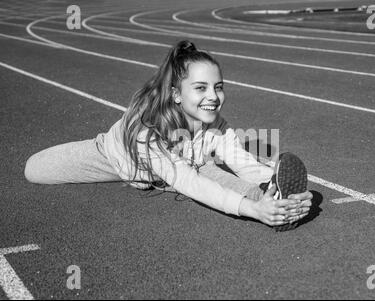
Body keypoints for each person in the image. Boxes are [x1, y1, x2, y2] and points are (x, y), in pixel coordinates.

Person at [24, 40, 313, 230]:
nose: (213, 96)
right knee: (34, 170)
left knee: (218, 176)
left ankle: (276, 200)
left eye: (218, 87)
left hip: (190, 164)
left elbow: (242, 162)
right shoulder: (146, 131)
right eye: (200, 88)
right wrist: (251, 211)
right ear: (176, 94)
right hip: (118, 158)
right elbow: (187, 182)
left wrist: (273, 186)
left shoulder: (216, 124)